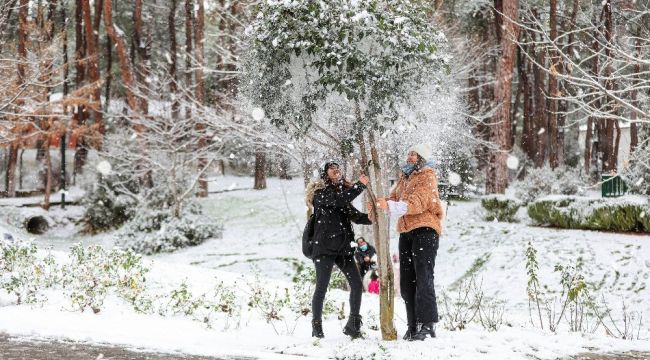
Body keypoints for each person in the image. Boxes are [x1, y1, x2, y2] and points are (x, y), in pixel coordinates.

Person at [376, 143, 444, 341]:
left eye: (413, 154)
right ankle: (413, 325)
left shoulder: (427, 176)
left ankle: (428, 325)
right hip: (406, 232)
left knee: (423, 277)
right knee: (407, 282)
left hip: (425, 230)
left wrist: (389, 205)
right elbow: (393, 198)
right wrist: (380, 203)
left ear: (421, 158)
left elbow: (417, 203)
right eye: (408, 153)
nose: (409, 157)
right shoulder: (405, 178)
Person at [305, 160, 372, 339]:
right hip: (324, 249)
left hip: (343, 249)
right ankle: (317, 328)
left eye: (338, 168)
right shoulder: (321, 194)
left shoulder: (341, 194)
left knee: (357, 285)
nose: (336, 170)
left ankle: (353, 324)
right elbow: (340, 200)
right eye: (331, 169)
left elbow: (355, 216)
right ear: (325, 174)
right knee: (322, 287)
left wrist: (372, 217)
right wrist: (360, 186)